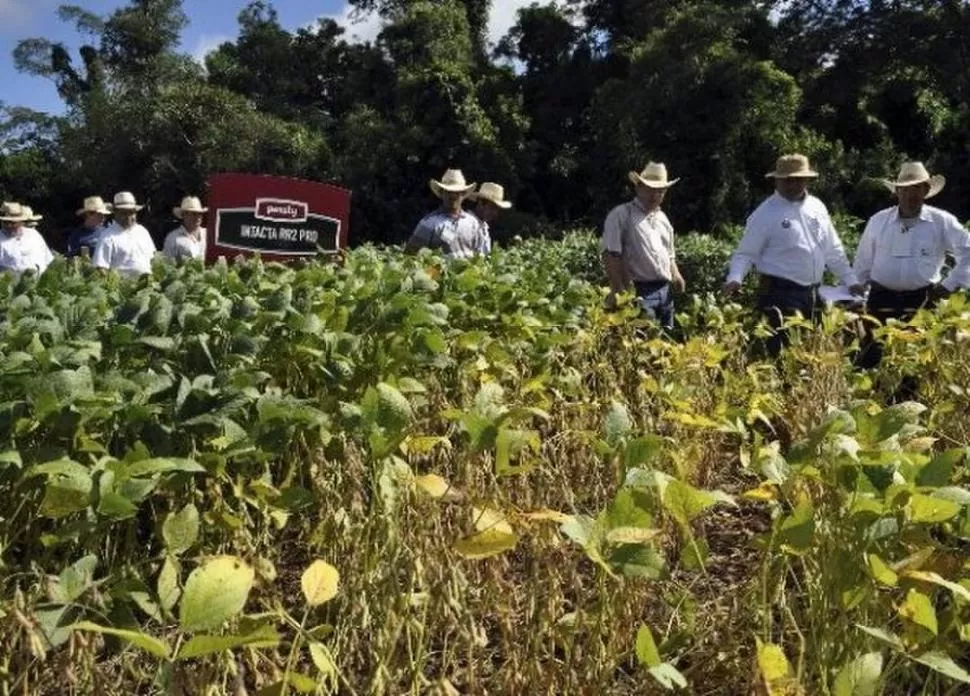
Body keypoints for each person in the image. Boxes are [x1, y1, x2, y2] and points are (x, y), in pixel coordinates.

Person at [723, 153, 864, 356]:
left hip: (813, 294)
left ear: (807, 180)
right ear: (777, 181)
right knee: (781, 354)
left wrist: (850, 280)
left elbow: (833, 248)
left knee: (810, 354)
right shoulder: (765, 213)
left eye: (798, 179)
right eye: (787, 180)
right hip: (779, 293)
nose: (793, 185)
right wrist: (735, 278)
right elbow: (746, 253)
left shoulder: (817, 207)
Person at [853, 162, 970, 373]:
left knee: (914, 365)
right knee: (871, 361)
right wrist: (856, 300)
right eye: (905, 189)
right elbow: (862, 264)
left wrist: (949, 285)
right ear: (897, 191)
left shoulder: (942, 222)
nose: (910, 194)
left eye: (917, 188)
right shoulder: (878, 221)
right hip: (880, 301)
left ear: (926, 190)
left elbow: (968, 251)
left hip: (922, 302)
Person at [601, 162, 685, 331]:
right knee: (642, 346)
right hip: (638, 291)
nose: (655, 195)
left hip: (664, 292)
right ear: (638, 188)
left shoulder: (663, 219)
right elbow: (610, 254)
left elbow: (669, 255)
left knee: (665, 348)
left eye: (660, 190)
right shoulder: (621, 215)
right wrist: (619, 292)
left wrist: (676, 274)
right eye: (650, 189)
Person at [405, 169, 490, 259]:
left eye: (457, 192)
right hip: (440, 272)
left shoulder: (473, 223)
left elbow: (479, 256)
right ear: (441, 193)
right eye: (448, 192)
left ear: (463, 194)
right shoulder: (429, 223)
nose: (453, 196)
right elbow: (410, 255)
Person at [92, 192, 157, 277]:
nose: (129, 217)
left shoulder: (142, 231)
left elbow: (153, 257)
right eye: (124, 213)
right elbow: (100, 267)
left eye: (132, 213)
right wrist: (112, 286)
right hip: (124, 288)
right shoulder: (107, 236)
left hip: (148, 286)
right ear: (115, 213)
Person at [0, 202, 54, 274]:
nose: (9, 225)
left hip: (41, 283)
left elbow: (48, 260)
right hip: (12, 284)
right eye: (6, 222)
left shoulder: (34, 234)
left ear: (21, 222)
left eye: (13, 223)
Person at [469, 182, 513, 254]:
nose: (495, 213)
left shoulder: (484, 227)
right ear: (480, 203)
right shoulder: (467, 223)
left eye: (497, 210)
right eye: (492, 208)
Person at [163, 196, 208, 262]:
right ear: (184, 215)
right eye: (194, 213)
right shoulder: (172, 238)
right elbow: (167, 264)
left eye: (200, 213)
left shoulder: (208, 234)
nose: (198, 217)